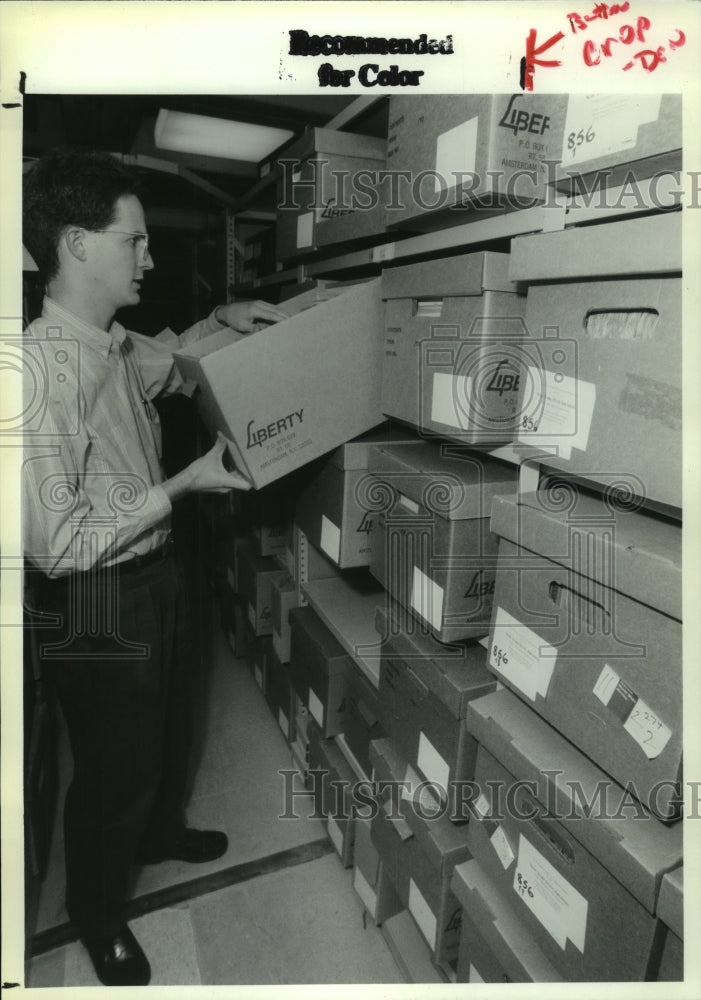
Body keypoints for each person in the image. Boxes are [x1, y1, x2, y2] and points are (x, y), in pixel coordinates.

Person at [22, 147, 288, 986]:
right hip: (95, 595)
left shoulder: (109, 338)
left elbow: (171, 362)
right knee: (111, 767)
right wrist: (181, 485)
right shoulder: (36, 370)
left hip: (155, 570)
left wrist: (228, 316)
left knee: (171, 721)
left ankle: (163, 832)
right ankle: (98, 914)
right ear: (75, 244)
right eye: (134, 241)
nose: (150, 255)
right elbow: (54, 543)